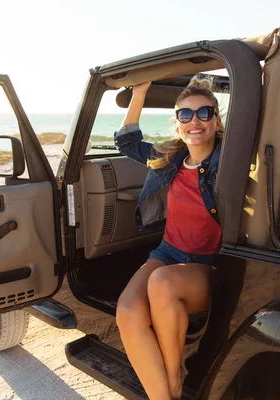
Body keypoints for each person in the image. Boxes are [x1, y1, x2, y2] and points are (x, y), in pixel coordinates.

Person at [114, 75, 222, 400]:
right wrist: (141, 90)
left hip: (212, 264)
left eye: (204, 113)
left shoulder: (233, 158)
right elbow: (127, 142)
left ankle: (175, 381)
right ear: (177, 125)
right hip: (169, 252)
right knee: (128, 310)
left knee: (161, 283)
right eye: (185, 115)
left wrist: (262, 75)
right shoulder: (168, 160)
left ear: (217, 121)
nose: (195, 121)